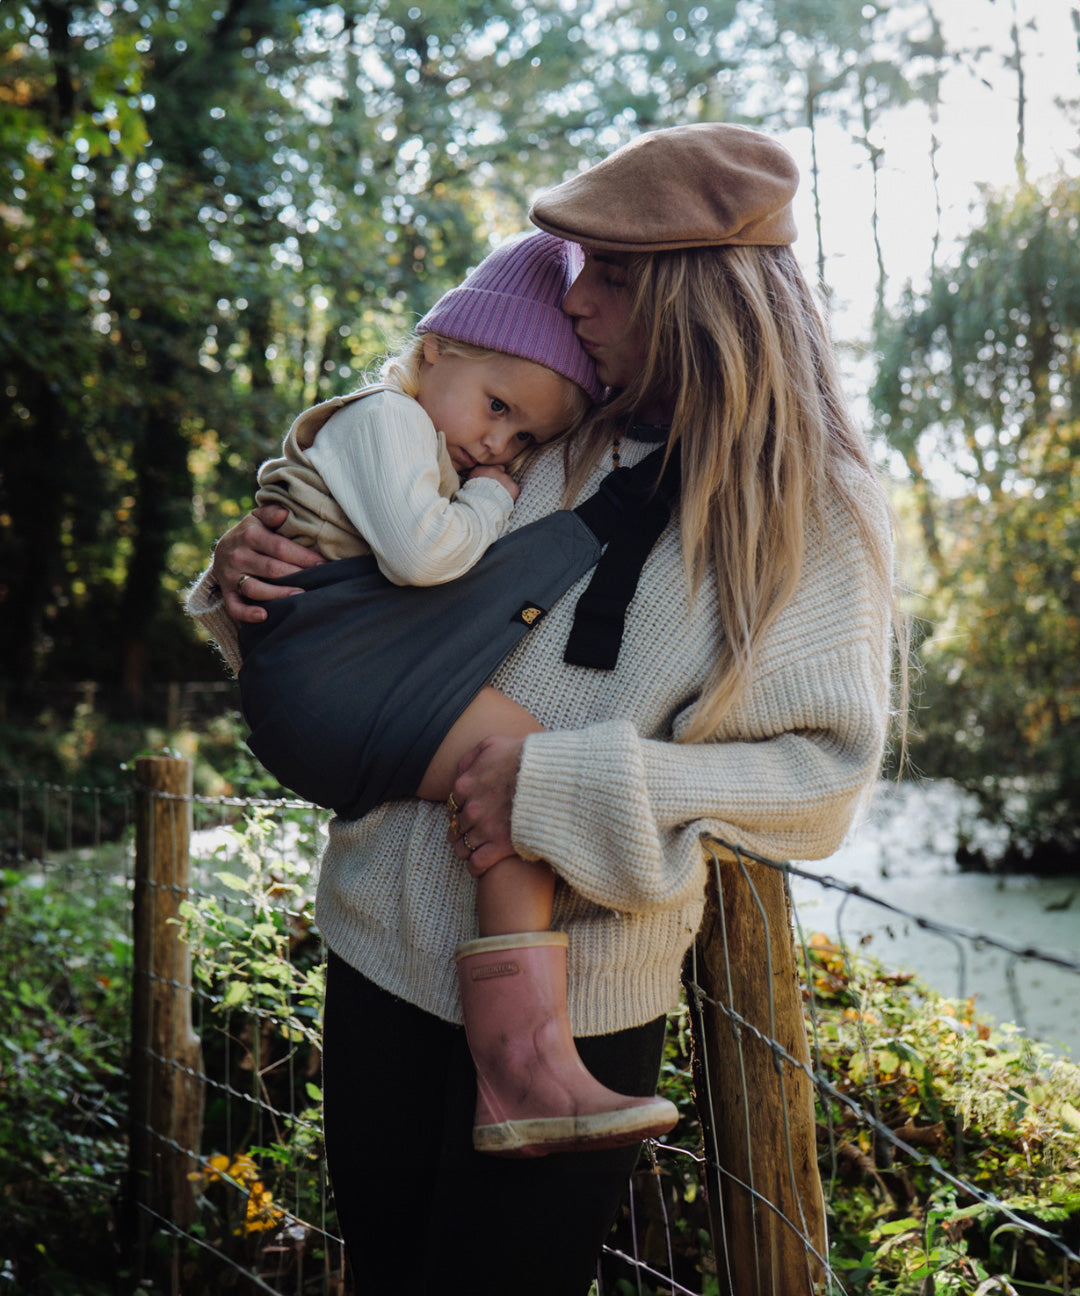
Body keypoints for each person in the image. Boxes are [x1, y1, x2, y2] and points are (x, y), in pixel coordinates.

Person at [187, 122, 899, 1295]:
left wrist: (566, 787)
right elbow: (375, 610)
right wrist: (258, 560)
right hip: (378, 947)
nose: (577, 302)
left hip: (585, 994)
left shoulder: (816, 505)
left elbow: (820, 778)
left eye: (612, 277)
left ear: (696, 296)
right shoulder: (548, 427)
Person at [233, 230, 679, 1157]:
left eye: (522, 438)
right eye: (497, 408)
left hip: (345, 671)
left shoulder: (425, 430)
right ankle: (522, 1068)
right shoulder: (389, 420)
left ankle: (528, 1063)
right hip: (334, 674)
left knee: (532, 787)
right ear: (437, 347)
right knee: (533, 785)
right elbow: (422, 554)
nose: (497, 443)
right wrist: (491, 499)